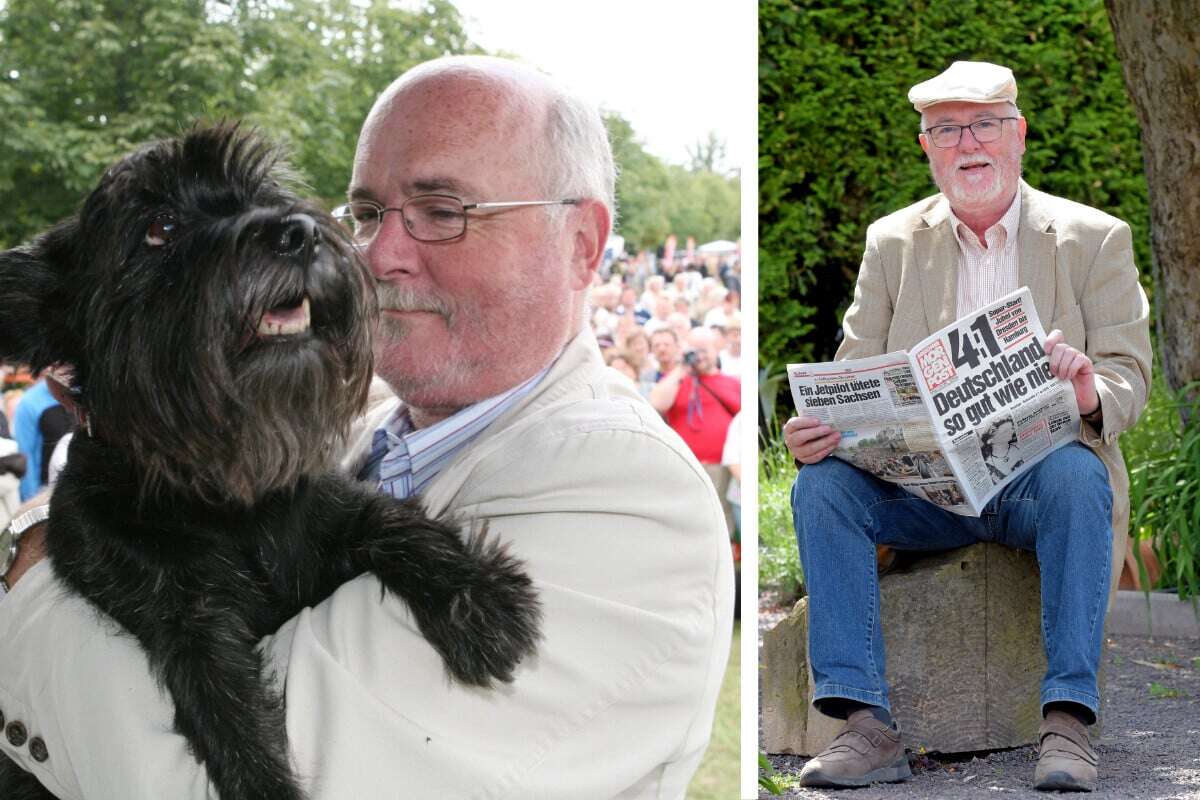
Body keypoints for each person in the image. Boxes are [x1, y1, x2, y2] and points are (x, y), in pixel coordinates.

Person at [0, 56, 734, 799]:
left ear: (581, 244)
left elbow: (197, 785)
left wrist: (26, 579)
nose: (378, 254)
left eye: (443, 213)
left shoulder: (628, 502)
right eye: (367, 213)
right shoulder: (339, 429)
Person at [783, 61, 1151, 791]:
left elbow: (1128, 376)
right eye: (947, 129)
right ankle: (864, 724)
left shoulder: (1094, 237)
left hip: (1038, 479)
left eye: (984, 124)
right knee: (821, 485)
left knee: (1079, 475)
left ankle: (1069, 723)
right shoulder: (891, 242)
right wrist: (820, 430)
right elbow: (854, 375)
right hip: (926, 490)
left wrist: (1086, 391)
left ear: (1017, 135)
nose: (967, 143)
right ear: (927, 147)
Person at [650, 327, 741, 538]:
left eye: (704, 349)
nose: (699, 355)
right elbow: (657, 403)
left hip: (722, 467)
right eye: (694, 350)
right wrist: (682, 368)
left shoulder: (732, 383)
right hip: (686, 464)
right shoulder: (678, 380)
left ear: (715, 350)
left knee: (721, 520)